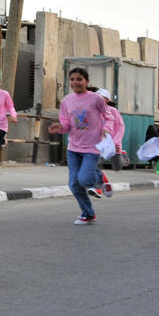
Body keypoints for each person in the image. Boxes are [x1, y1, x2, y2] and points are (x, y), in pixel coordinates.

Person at [47, 67, 112, 225]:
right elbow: (66, 123)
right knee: (74, 184)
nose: (75, 82)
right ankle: (88, 213)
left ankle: (99, 178)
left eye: (79, 79)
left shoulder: (96, 99)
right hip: (74, 148)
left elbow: (108, 117)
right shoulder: (67, 101)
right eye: (72, 79)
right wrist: (59, 127)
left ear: (86, 81)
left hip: (92, 147)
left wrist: (106, 128)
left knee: (84, 179)